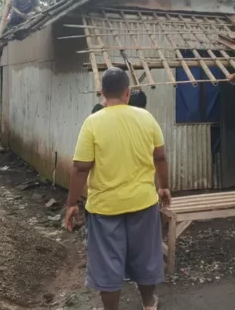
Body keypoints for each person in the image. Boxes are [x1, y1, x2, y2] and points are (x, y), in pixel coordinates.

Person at [65, 68, 170, 310]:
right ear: (127, 92)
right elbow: (161, 158)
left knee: (107, 264)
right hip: (143, 204)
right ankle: (148, 304)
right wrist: (164, 187)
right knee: (145, 257)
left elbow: (80, 168)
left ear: (101, 93)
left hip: (105, 209)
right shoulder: (146, 118)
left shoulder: (92, 122)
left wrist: (71, 204)